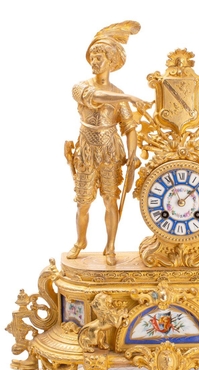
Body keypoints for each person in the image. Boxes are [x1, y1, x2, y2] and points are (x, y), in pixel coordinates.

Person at [65, 21, 142, 265]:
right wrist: (127, 96)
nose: (94, 61)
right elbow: (96, 97)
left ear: (111, 61)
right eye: (93, 57)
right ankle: (81, 241)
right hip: (87, 150)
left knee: (110, 199)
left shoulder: (118, 95)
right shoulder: (81, 88)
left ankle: (110, 247)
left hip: (110, 151)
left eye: (100, 57)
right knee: (83, 202)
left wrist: (132, 154)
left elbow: (130, 127)